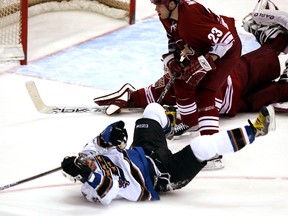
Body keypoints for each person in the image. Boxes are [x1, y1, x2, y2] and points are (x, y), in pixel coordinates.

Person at [93, 0, 288, 136]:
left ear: (171, 4)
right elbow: (154, 92)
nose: (156, 9)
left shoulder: (192, 19)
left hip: (235, 75)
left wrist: (204, 62)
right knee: (274, 94)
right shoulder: (179, 81)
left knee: (265, 58)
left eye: (158, 4)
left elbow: (225, 41)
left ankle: (280, 36)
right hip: (237, 104)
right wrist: (130, 99)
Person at [61, 102, 275, 205]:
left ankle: (167, 128)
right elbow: (108, 191)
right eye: (82, 168)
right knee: (202, 146)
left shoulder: (87, 155)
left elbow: (102, 139)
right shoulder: (91, 188)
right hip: (162, 176)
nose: (85, 163)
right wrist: (88, 175)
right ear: (79, 177)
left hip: (145, 150)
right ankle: (256, 130)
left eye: (82, 163)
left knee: (152, 110)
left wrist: (113, 133)